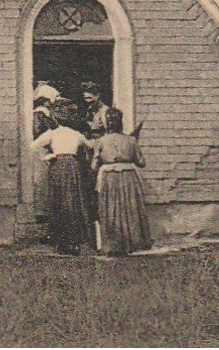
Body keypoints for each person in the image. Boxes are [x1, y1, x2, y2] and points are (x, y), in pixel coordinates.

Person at [31, 105, 93, 254]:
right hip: (72, 165)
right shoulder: (76, 134)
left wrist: (47, 156)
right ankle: (75, 240)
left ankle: (61, 240)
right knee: (72, 200)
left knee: (58, 200)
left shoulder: (52, 133)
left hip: (58, 165)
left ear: (56, 119)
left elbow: (33, 145)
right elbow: (90, 145)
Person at [93, 108, 153, 256]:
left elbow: (94, 166)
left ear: (107, 123)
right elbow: (141, 162)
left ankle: (114, 245)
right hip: (128, 177)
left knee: (111, 209)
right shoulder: (131, 140)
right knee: (129, 207)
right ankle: (131, 242)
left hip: (109, 177)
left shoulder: (100, 141)